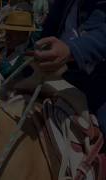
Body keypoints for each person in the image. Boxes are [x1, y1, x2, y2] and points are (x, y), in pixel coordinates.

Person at [34, 0, 106, 139]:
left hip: (100, 82)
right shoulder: (63, 4)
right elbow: (48, 31)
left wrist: (72, 50)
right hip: (63, 77)